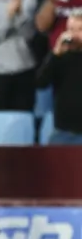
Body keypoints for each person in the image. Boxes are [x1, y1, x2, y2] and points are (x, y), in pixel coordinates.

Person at [37, 13, 82, 144]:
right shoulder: (60, 57)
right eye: (71, 29)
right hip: (63, 132)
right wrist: (55, 53)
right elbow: (40, 82)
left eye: (80, 30)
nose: (74, 35)